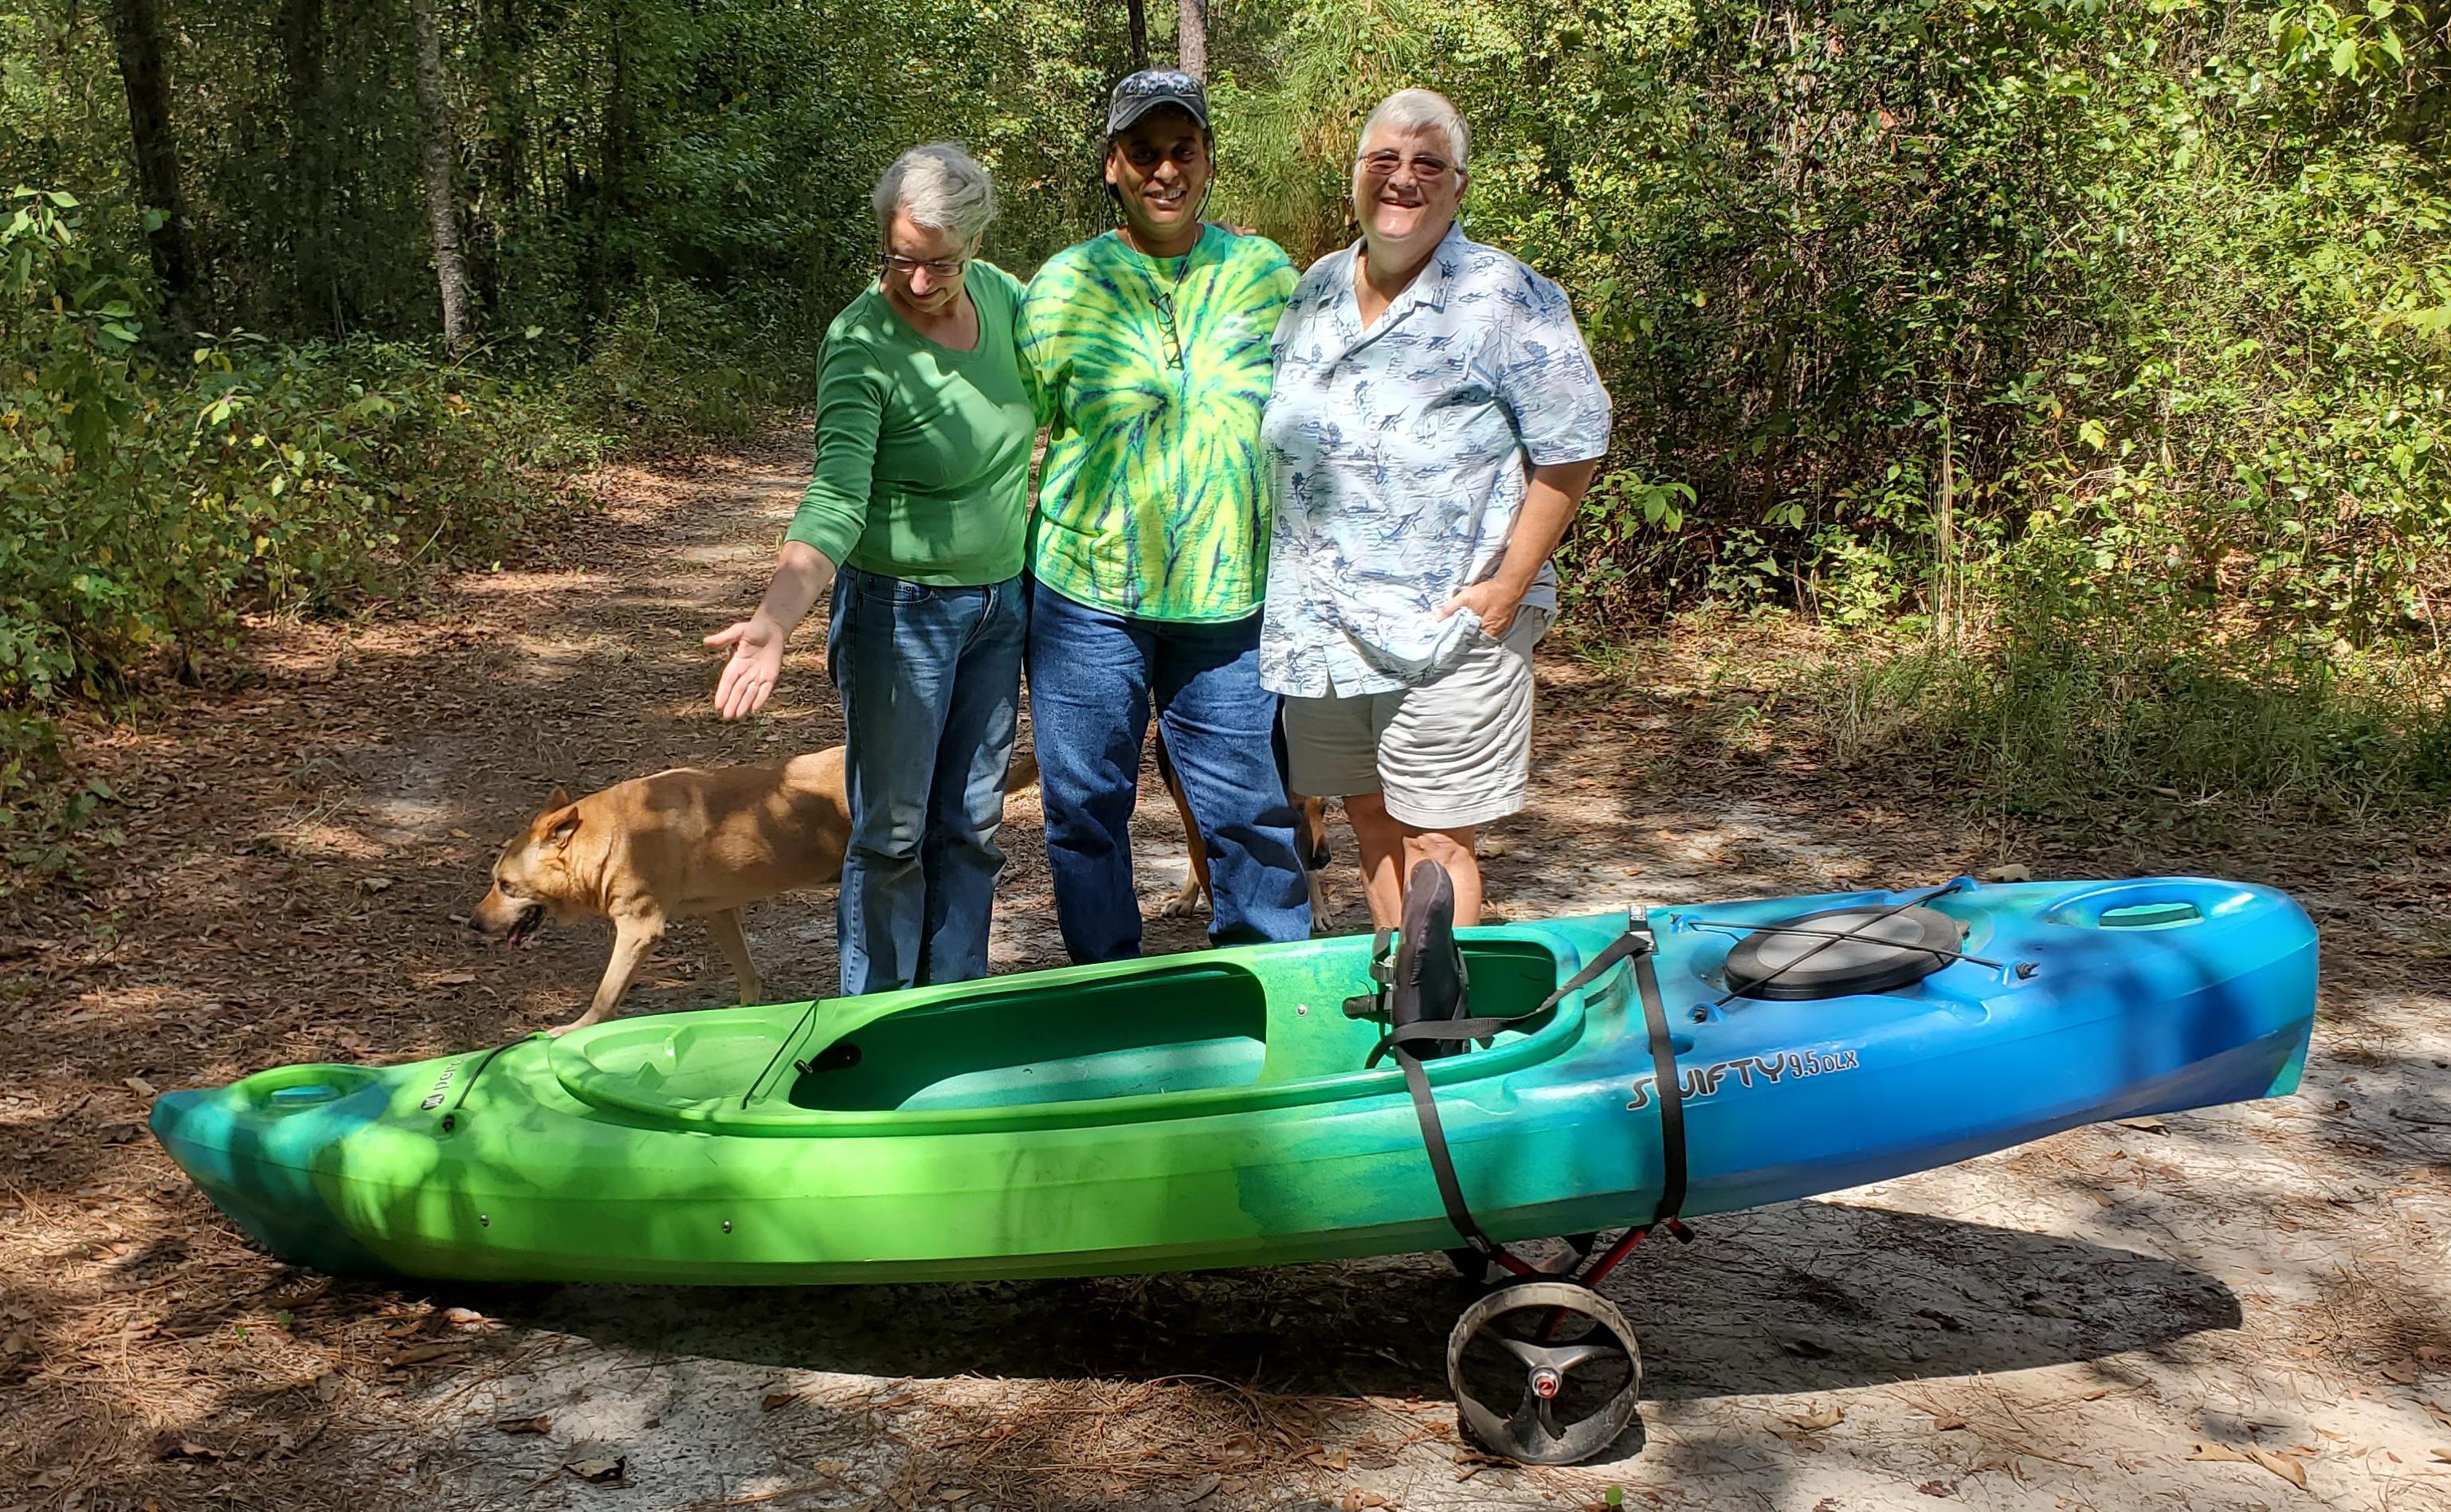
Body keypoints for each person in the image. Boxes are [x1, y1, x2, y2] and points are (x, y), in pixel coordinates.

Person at [1259, 88, 1612, 929]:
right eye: (1383, 160)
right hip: (1327, 625)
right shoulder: (1314, 289)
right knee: (1367, 816)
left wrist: (1507, 584)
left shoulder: (1506, 296)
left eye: (1427, 165)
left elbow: (1575, 442)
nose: (1401, 179)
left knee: (1436, 839)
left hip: (1450, 624)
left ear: (1456, 186)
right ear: (1353, 177)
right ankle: (1400, 989)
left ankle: (1442, 1031)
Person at [704, 143, 1033, 994]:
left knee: (969, 826)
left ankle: (953, 1005)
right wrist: (776, 619)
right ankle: (874, 1022)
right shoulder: (860, 341)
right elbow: (836, 494)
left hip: (1000, 606)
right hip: (903, 613)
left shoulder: (1004, 300)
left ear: (976, 243)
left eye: (939, 263)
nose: (917, 282)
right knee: (891, 833)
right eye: (899, 259)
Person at [1016, 69, 1312, 962]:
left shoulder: (1266, 274)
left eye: (1182, 150)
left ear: (1208, 160)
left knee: (1250, 811)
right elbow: (1006, 426)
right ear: (1112, 165)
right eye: (1143, 153)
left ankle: (1270, 984)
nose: (1164, 170)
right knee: (1083, 810)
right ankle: (1109, 991)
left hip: (1228, 604)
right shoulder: (1065, 283)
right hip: (1085, 596)